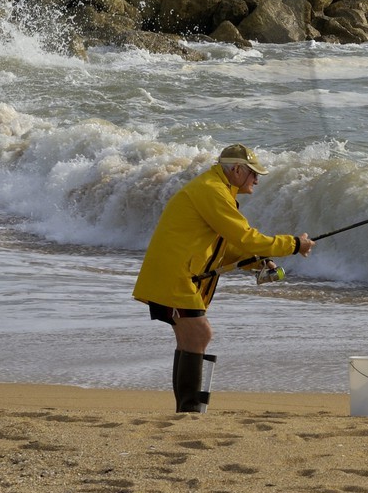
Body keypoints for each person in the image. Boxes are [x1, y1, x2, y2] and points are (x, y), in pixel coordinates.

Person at [133, 144, 313, 412]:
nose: (257, 179)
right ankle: (190, 409)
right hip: (175, 276)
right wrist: (294, 245)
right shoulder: (213, 191)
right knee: (199, 333)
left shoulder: (216, 189)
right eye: (253, 173)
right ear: (237, 169)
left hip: (176, 275)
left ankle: (187, 410)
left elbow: (224, 245)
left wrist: (256, 261)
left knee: (191, 338)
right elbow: (245, 236)